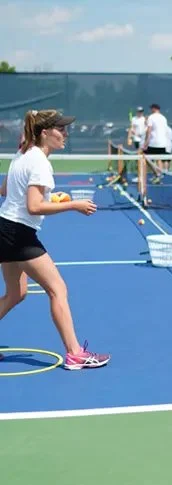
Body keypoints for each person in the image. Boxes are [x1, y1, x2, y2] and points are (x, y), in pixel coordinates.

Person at [0, 109, 111, 369]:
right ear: (45, 133)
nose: (65, 133)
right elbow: (34, 207)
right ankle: (75, 354)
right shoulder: (39, 162)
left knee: (16, 293)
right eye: (60, 129)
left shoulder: (23, 152)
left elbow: (5, 190)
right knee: (57, 289)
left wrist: (51, 198)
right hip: (19, 234)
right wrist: (74, 204)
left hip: (5, 227)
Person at [143, 103, 169, 183]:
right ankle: (159, 176)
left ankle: (157, 174)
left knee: (145, 158)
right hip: (162, 143)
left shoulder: (151, 117)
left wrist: (146, 142)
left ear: (154, 109)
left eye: (151, 108)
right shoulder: (164, 118)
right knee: (159, 159)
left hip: (153, 142)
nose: (151, 110)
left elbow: (149, 130)